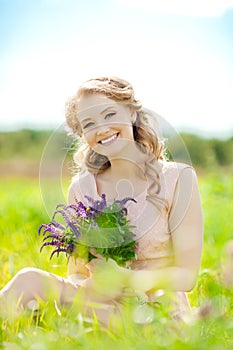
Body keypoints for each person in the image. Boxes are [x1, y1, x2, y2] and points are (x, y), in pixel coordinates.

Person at [0, 76, 203, 325]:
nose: (101, 129)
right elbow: (75, 274)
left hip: (154, 310)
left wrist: (125, 280)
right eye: (88, 123)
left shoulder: (178, 179)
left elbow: (187, 276)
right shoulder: (81, 188)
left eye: (109, 115)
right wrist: (93, 285)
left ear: (130, 113)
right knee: (28, 280)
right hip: (99, 303)